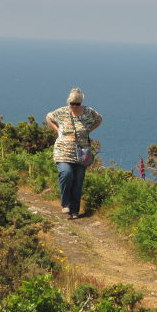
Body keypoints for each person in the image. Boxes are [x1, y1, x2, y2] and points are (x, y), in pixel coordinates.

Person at [45, 88, 102, 219]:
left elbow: (99, 119)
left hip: (82, 152)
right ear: (68, 103)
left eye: (77, 104)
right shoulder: (62, 112)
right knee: (66, 174)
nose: (74, 106)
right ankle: (66, 204)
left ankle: (75, 211)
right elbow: (48, 117)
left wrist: (88, 130)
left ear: (81, 102)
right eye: (72, 104)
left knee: (78, 181)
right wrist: (58, 130)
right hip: (63, 150)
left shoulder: (89, 112)